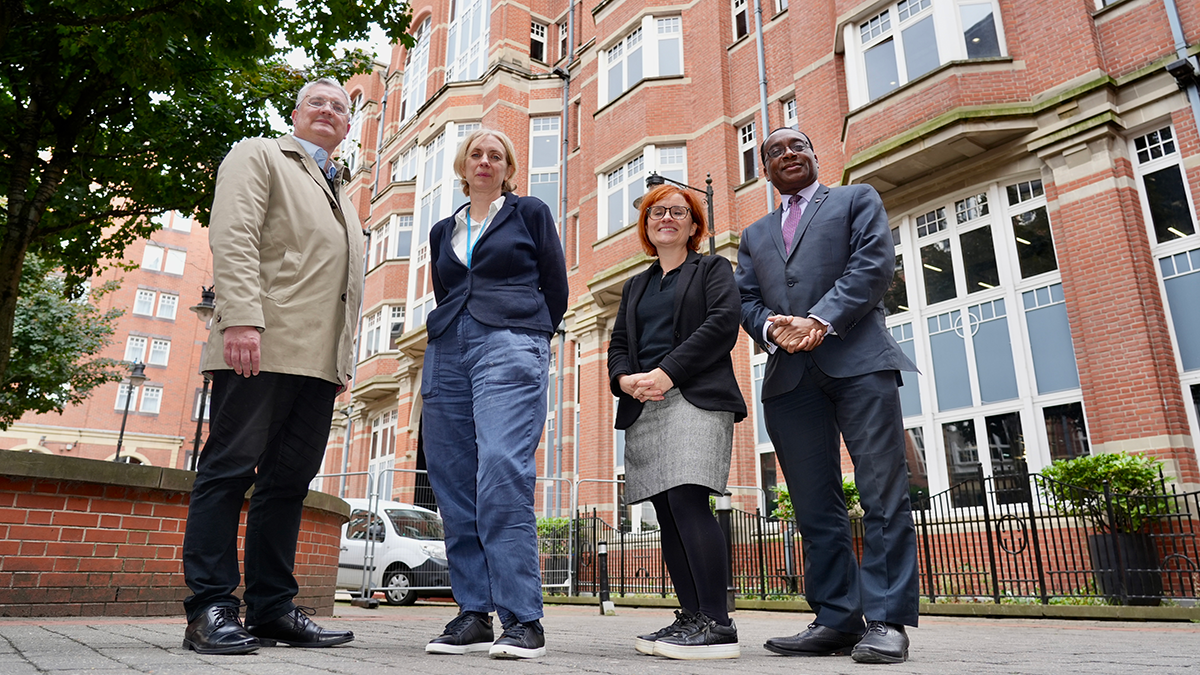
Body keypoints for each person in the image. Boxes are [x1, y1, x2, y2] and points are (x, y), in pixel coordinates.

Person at [180, 77, 363, 655]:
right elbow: (234, 234)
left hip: (317, 362)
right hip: (259, 341)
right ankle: (209, 606)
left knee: (287, 484)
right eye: (318, 102)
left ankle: (272, 609)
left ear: (348, 125)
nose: (329, 111)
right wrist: (238, 318)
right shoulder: (259, 153)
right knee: (229, 471)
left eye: (340, 107)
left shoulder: (341, 194)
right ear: (295, 113)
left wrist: (342, 361)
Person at [735, 127, 920, 664]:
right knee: (814, 505)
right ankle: (837, 618)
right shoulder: (754, 233)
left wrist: (821, 319)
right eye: (774, 152)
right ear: (764, 171)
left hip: (859, 361)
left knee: (882, 492)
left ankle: (886, 621)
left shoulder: (856, 199)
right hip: (790, 378)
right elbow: (745, 298)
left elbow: (873, 264)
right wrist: (773, 328)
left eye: (798, 146)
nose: (787, 154)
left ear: (816, 156)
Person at [420, 128, 568, 659]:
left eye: (496, 155)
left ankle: (522, 618)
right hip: (447, 347)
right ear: (463, 165)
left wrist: (530, 335)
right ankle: (473, 612)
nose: (485, 161)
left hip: (509, 339)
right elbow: (448, 290)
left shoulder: (529, 212)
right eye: (476, 154)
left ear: (508, 168)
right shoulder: (443, 230)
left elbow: (556, 286)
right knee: (453, 479)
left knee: (502, 467)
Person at [608, 184, 746, 660]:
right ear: (646, 225)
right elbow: (619, 344)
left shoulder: (712, 269)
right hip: (645, 401)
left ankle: (717, 623)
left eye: (678, 212)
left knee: (688, 498)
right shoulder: (636, 285)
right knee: (666, 512)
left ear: (693, 225)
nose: (666, 217)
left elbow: (722, 324)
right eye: (656, 212)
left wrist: (667, 373)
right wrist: (625, 380)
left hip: (695, 395)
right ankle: (691, 617)